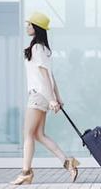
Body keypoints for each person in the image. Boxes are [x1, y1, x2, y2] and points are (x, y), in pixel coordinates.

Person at [10, 11, 79, 185]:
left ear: (37, 27)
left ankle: (26, 172)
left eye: (30, 24)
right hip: (43, 96)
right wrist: (56, 97)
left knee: (28, 135)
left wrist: (52, 99)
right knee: (39, 135)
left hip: (38, 95)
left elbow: (44, 76)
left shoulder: (36, 48)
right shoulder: (44, 49)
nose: (27, 27)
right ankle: (67, 162)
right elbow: (51, 76)